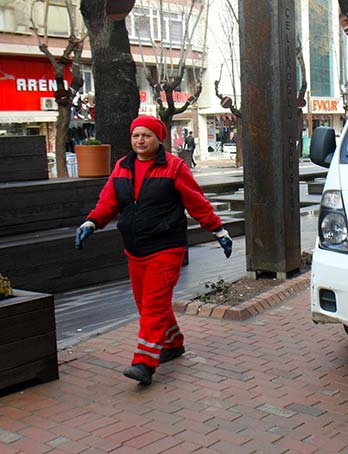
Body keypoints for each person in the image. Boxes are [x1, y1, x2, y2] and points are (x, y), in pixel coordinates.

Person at [74, 115, 233, 386]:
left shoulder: (174, 166)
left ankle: (144, 363)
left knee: (153, 306)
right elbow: (108, 201)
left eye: (146, 135)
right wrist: (91, 222)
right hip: (135, 249)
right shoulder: (122, 167)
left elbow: (196, 201)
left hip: (166, 247)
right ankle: (172, 343)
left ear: (159, 139)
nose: (140, 140)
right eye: (136, 135)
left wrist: (218, 229)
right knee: (147, 304)